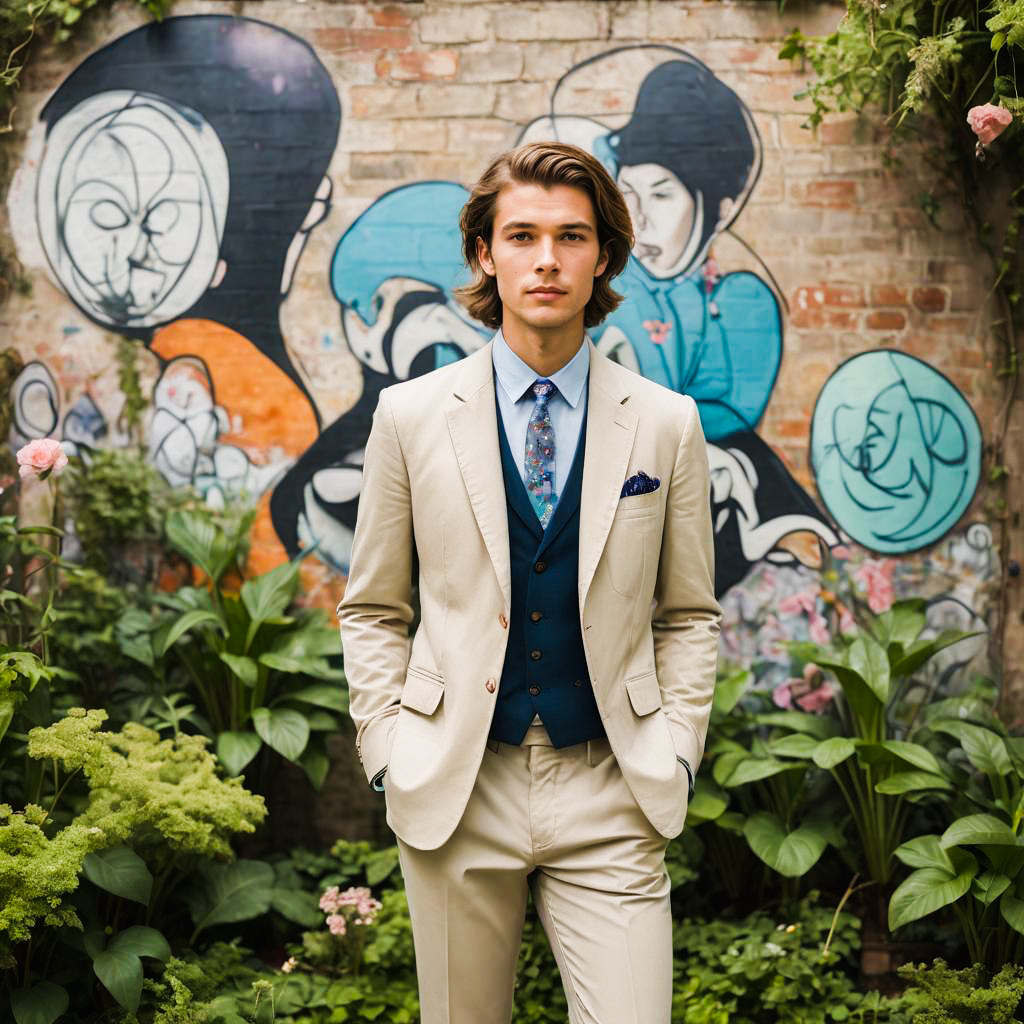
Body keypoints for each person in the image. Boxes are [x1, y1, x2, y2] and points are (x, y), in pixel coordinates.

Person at [338, 141, 721, 1024]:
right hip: (456, 782)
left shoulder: (667, 424)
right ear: (485, 253)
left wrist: (675, 749)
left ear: (604, 256)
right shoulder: (410, 415)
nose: (546, 259)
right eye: (522, 236)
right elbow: (372, 606)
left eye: (571, 237)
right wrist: (390, 750)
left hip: (610, 783)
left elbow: (690, 612)